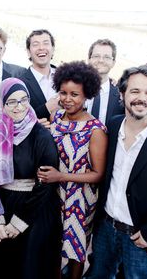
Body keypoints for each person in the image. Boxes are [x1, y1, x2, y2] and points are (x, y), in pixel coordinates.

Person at [86, 66, 147, 279]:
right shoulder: (112, 125)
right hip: (106, 229)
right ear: (122, 94)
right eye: (135, 91)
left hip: (140, 237)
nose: (142, 98)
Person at [0, 78, 61, 278]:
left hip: (33, 209)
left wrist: (19, 222)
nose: (19, 107)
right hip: (0, 205)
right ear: (1, 103)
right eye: (12, 101)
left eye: (24, 100)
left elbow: (45, 184)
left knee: (28, 267)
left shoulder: (41, 136)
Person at [37, 61, 108, 279]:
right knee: (53, 244)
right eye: (63, 93)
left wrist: (61, 176)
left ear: (87, 94)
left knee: (76, 249)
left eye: (74, 94)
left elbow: (98, 174)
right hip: (53, 194)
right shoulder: (56, 118)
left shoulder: (95, 130)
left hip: (80, 199)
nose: (67, 99)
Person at [22, 29, 60, 119]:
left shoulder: (67, 76)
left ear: (53, 49)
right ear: (28, 51)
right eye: (35, 44)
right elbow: (18, 119)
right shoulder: (21, 83)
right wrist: (46, 108)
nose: (41, 48)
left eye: (46, 43)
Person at [86, 39, 124, 125]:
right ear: (89, 59)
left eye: (106, 57)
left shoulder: (121, 94)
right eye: (96, 56)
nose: (101, 60)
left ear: (113, 62)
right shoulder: (76, 87)